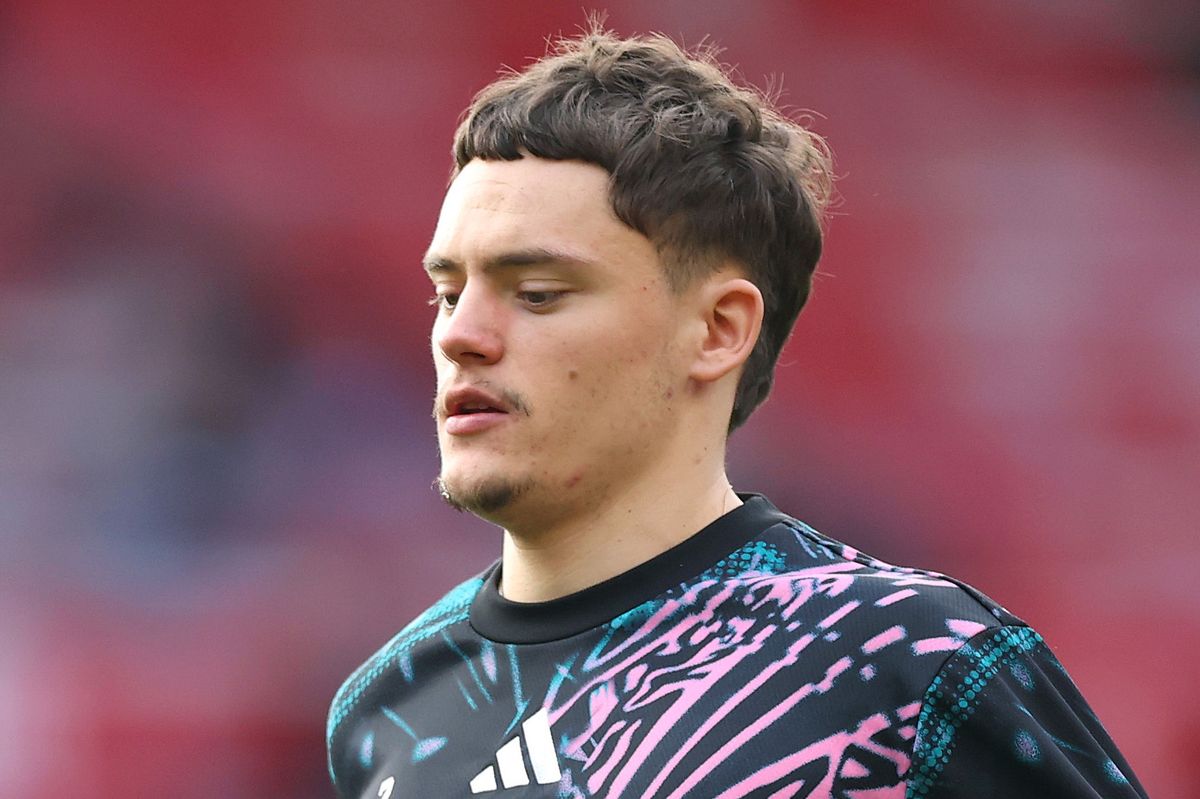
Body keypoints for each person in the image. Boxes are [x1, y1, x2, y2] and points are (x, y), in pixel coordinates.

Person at [326, 27, 1147, 799]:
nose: (460, 335)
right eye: (446, 292)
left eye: (536, 293)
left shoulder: (914, 660)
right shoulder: (382, 708)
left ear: (718, 330)